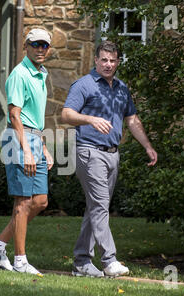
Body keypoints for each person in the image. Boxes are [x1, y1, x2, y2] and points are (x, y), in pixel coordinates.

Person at [61, 41, 157, 277]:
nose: (108, 64)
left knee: (96, 208)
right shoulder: (84, 85)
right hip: (89, 151)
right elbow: (66, 114)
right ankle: (109, 260)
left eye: (113, 60)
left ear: (118, 62)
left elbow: (132, 120)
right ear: (96, 60)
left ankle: (82, 262)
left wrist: (147, 146)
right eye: (104, 60)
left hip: (112, 154)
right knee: (100, 206)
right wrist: (90, 119)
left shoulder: (122, 88)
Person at [0, 28, 54, 275]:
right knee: (23, 203)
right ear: (26, 46)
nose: (40, 49)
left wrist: (43, 147)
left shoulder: (41, 74)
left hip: (35, 139)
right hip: (19, 141)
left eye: (44, 45)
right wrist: (27, 150)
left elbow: (33, 117)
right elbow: (14, 115)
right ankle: (20, 261)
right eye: (36, 45)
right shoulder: (19, 74)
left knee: (40, 201)